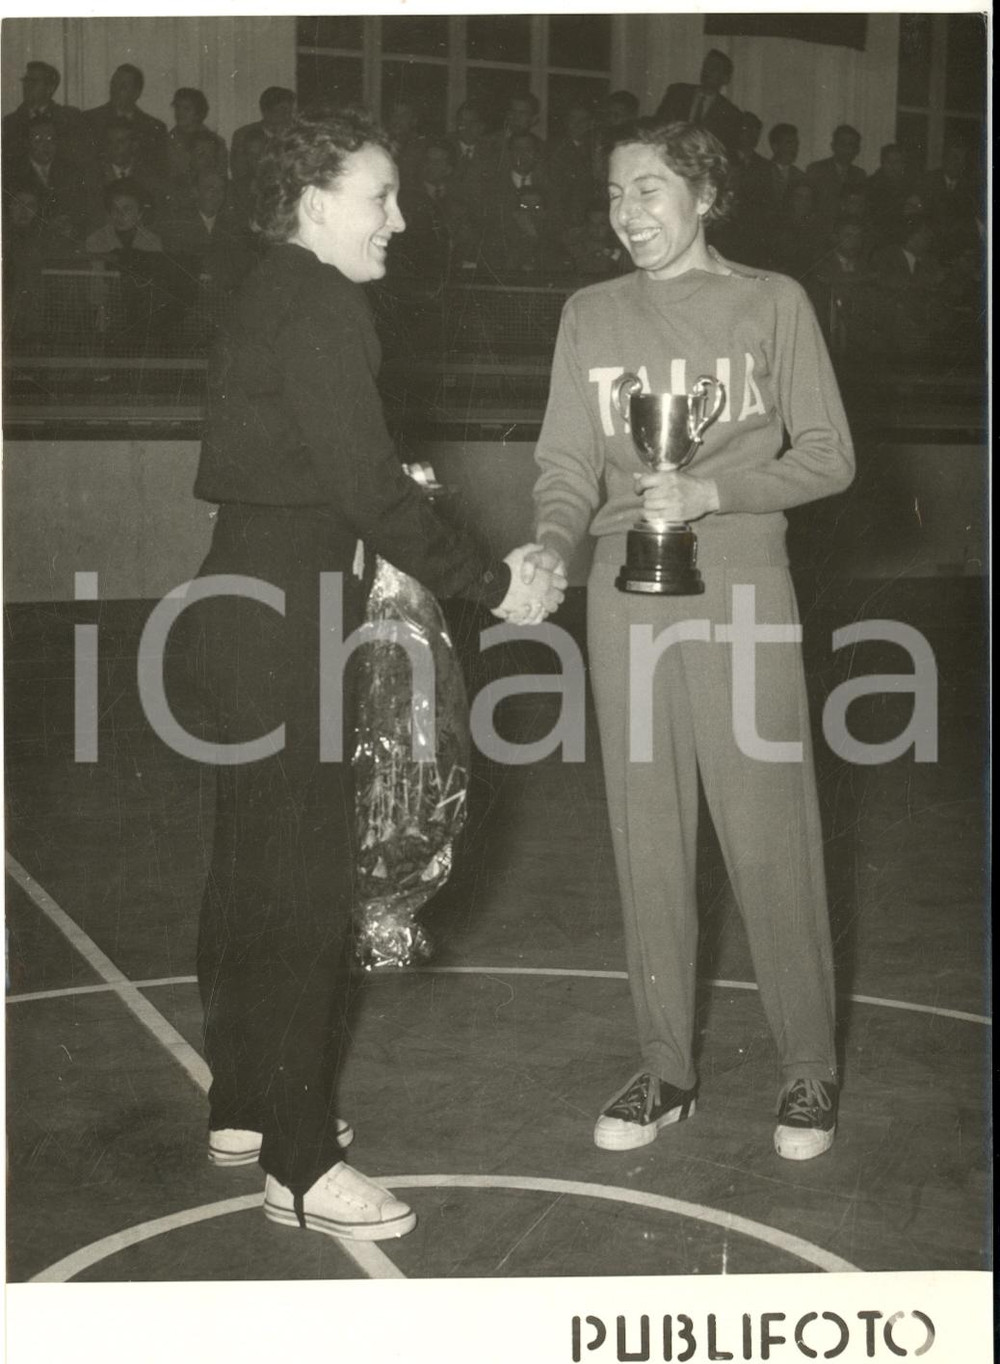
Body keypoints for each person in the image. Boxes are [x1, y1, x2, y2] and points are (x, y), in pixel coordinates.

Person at [184, 106, 564, 1243]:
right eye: (380, 197)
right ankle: (300, 1165)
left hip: (236, 611)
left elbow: (322, 473)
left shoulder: (267, 289)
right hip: (282, 627)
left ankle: (245, 1102)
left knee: (250, 871)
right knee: (303, 894)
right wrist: (495, 584)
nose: (399, 219)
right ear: (314, 204)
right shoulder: (325, 301)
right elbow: (370, 493)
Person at [528, 119, 854, 1163]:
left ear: (704, 194)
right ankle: (664, 1067)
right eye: (616, 192)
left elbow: (831, 455)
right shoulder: (588, 313)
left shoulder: (772, 301)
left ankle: (807, 1067)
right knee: (647, 832)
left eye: (650, 189)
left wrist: (717, 487)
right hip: (624, 596)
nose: (628, 211)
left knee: (769, 826)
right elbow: (568, 464)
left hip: (744, 578)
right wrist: (546, 545)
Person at [84, 64, 168, 175]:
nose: (115, 90)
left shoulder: (154, 128)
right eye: (113, 84)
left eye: (123, 86)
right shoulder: (90, 120)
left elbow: (158, 171)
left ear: (136, 93)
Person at [655, 50, 741, 154]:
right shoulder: (677, 93)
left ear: (725, 79)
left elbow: (726, 150)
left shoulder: (731, 113)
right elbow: (659, 125)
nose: (707, 70)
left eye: (714, 68)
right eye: (706, 65)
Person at [805, 125, 866, 222]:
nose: (846, 149)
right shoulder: (816, 170)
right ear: (833, 146)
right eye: (842, 144)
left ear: (857, 150)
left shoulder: (860, 174)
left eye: (851, 145)